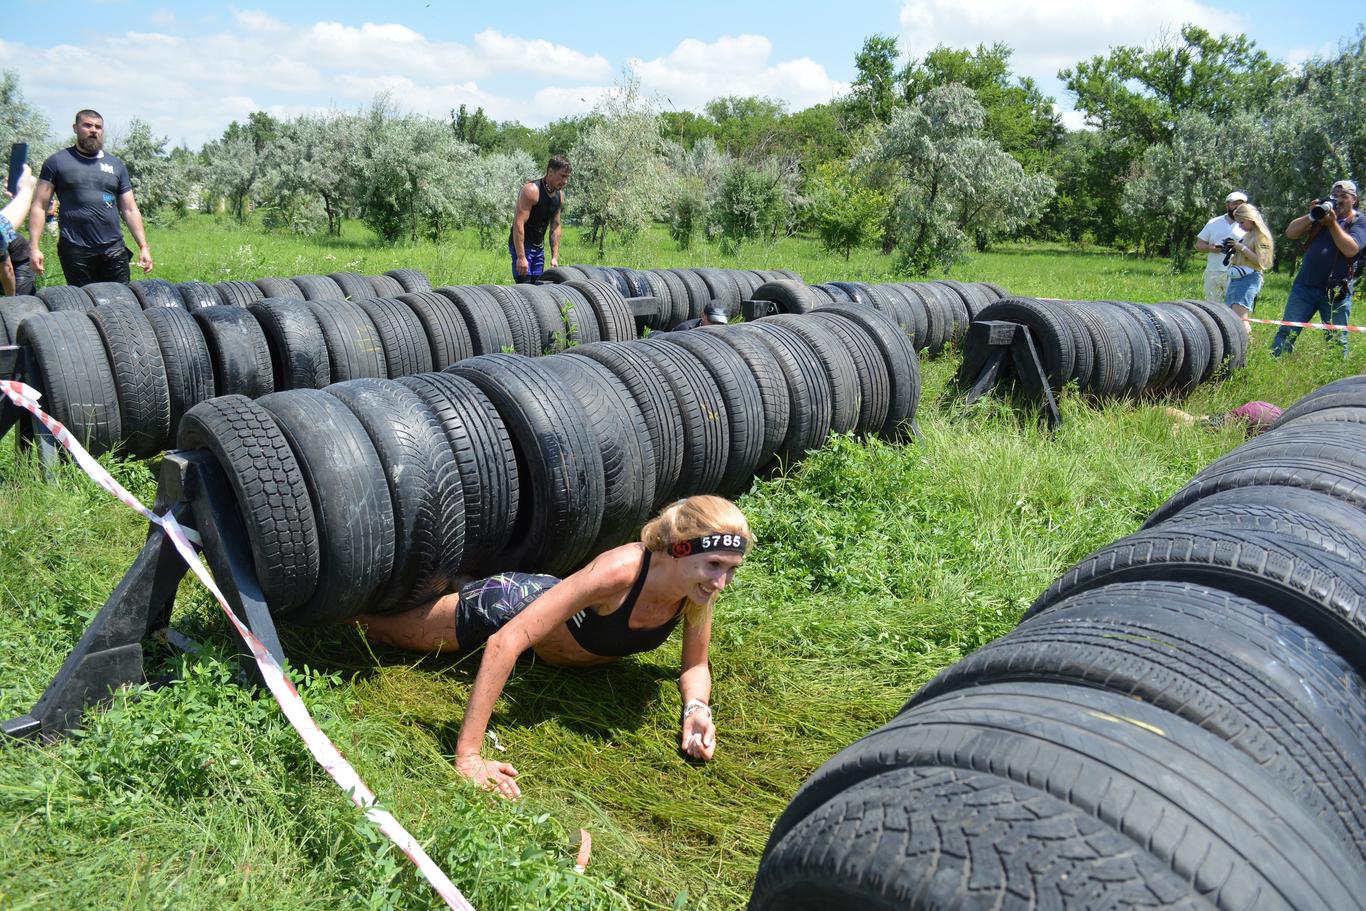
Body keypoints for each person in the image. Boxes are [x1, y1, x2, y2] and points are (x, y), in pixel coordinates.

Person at [356, 495, 753, 799]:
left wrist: (696, 709)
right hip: (510, 605)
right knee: (376, 631)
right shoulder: (620, 573)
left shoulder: (696, 590)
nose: (721, 581)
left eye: (731, 569)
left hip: (550, 628)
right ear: (680, 548)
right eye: (715, 565)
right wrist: (469, 757)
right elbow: (505, 641)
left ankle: (464, 579)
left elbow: (695, 665)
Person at [28, 109, 154, 287]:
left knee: (122, 302)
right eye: (87, 125)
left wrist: (143, 246)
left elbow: (129, 209)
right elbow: (39, 206)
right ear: (75, 128)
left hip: (113, 248)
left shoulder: (116, 165)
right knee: (83, 304)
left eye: (98, 127)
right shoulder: (57, 162)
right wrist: (34, 247)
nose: (93, 130)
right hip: (75, 249)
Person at [1271, 179, 1366, 357]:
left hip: (1336, 292)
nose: (1338, 200)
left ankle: (1337, 382)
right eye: (1334, 196)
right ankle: (1274, 368)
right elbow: (1290, 233)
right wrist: (1312, 215)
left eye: (1343, 196)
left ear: (1354, 199)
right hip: (1304, 286)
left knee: (1337, 340)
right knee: (1286, 333)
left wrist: (1332, 224)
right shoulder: (1320, 216)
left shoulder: (1360, 221)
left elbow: (1351, 249)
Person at [509, 155, 569, 284]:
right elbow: (518, 223)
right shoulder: (531, 191)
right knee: (524, 287)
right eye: (562, 176)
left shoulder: (560, 196)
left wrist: (554, 257)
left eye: (567, 177)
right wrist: (521, 257)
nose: (565, 181)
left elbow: (556, 227)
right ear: (551, 172)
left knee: (537, 287)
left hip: (538, 247)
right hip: (523, 245)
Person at [1223, 202, 1274, 333]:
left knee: (1240, 318)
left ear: (1250, 219)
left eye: (1242, 222)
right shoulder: (1247, 235)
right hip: (1237, 278)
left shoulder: (1262, 237)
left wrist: (1242, 248)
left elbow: (1262, 262)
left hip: (1249, 279)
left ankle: (1247, 347)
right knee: (1232, 316)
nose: (1240, 227)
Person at [1195, 191, 1248, 304]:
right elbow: (1198, 245)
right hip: (1214, 270)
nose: (1238, 207)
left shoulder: (1249, 224)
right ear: (1227, 205)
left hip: (1239, 271)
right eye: (1235, 203)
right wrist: (1210, 247)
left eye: (1241, 204)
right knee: (1213, 305)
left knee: (1235, 306)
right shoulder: (1213, 222)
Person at [0, 164, 37, 296]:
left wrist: (12, 301)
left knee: (21, 302)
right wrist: (25, 190)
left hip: (18, 261)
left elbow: (6, 269)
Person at [1165, 400, 1283, 436]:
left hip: (1263, 409)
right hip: (1259, 416)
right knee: (1200, 425)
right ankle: (1175, 430)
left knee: (1198, 421)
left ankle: (1161, 410)